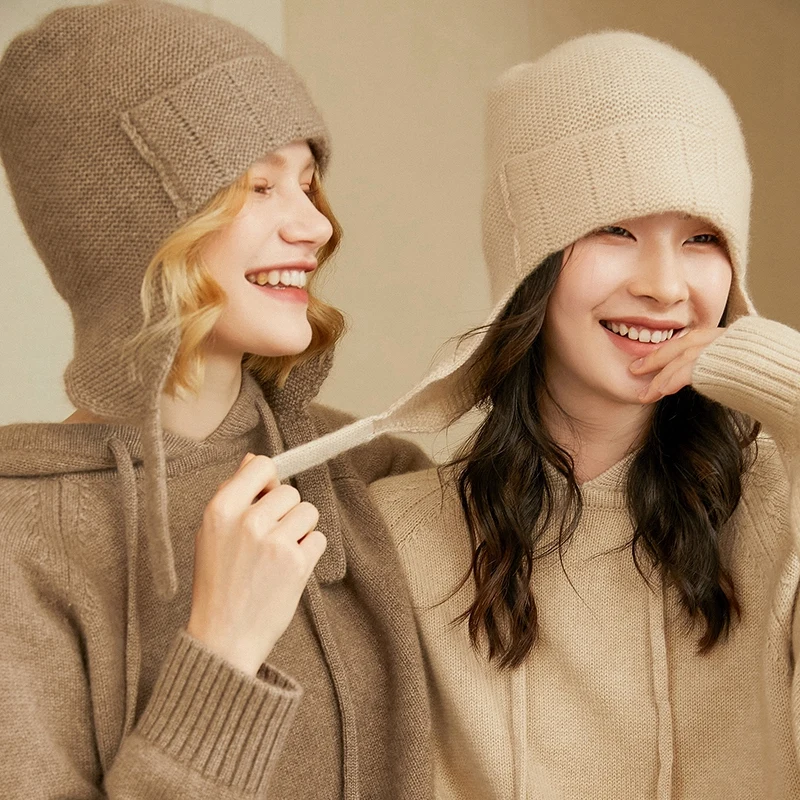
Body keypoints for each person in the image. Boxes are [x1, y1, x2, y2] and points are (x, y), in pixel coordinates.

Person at [0, 2, 431, 798]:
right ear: (130, 230)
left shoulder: (374, 474)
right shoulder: (18, 547)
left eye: (308, 183)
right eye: (258, 186)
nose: (313, 225)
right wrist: (223, 651)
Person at [358, 32, 799, 799]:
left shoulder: (776, 503)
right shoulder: (403, 537)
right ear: (529, 261)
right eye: (616, 230)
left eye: (701, 239)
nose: (666, 286)